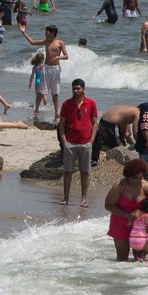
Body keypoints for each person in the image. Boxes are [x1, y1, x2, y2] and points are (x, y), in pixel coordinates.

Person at [105, 159, 148, 262]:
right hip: (120, 223)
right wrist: (127, 215)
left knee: (139, 259)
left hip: (139, 227)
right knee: (122, 260)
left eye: (141, 177)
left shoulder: (146, 186)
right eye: (134, 178)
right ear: (128, 176)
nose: (138, 180)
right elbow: (108, 205)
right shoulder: (120, 186)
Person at [57, 79, 97, 207]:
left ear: (83, 89)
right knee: (67, 171)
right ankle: (66, 198)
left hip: (86, 143)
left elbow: (95, 123)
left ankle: (84, 199)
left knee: (85, 172)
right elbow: (61, 124)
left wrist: (91, 140)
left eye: (78, 88)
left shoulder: (91, 103)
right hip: (70, 143)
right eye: (74, 88)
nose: (76, 91)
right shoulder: (66, 104)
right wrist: (64, 141)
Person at [19, 23, 68, 122]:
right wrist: (24, 33)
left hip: (56, 69)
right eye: (45, 31)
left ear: (52, 33)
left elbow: (66, 56)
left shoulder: (60, 43)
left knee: (55, 93)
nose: (45, 33)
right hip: (46, 68)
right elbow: (32, 42)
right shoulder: (46, 42)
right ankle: (36, 111)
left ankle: (56, 113)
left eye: (47, 31)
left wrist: (59, 57)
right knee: (41, 92)